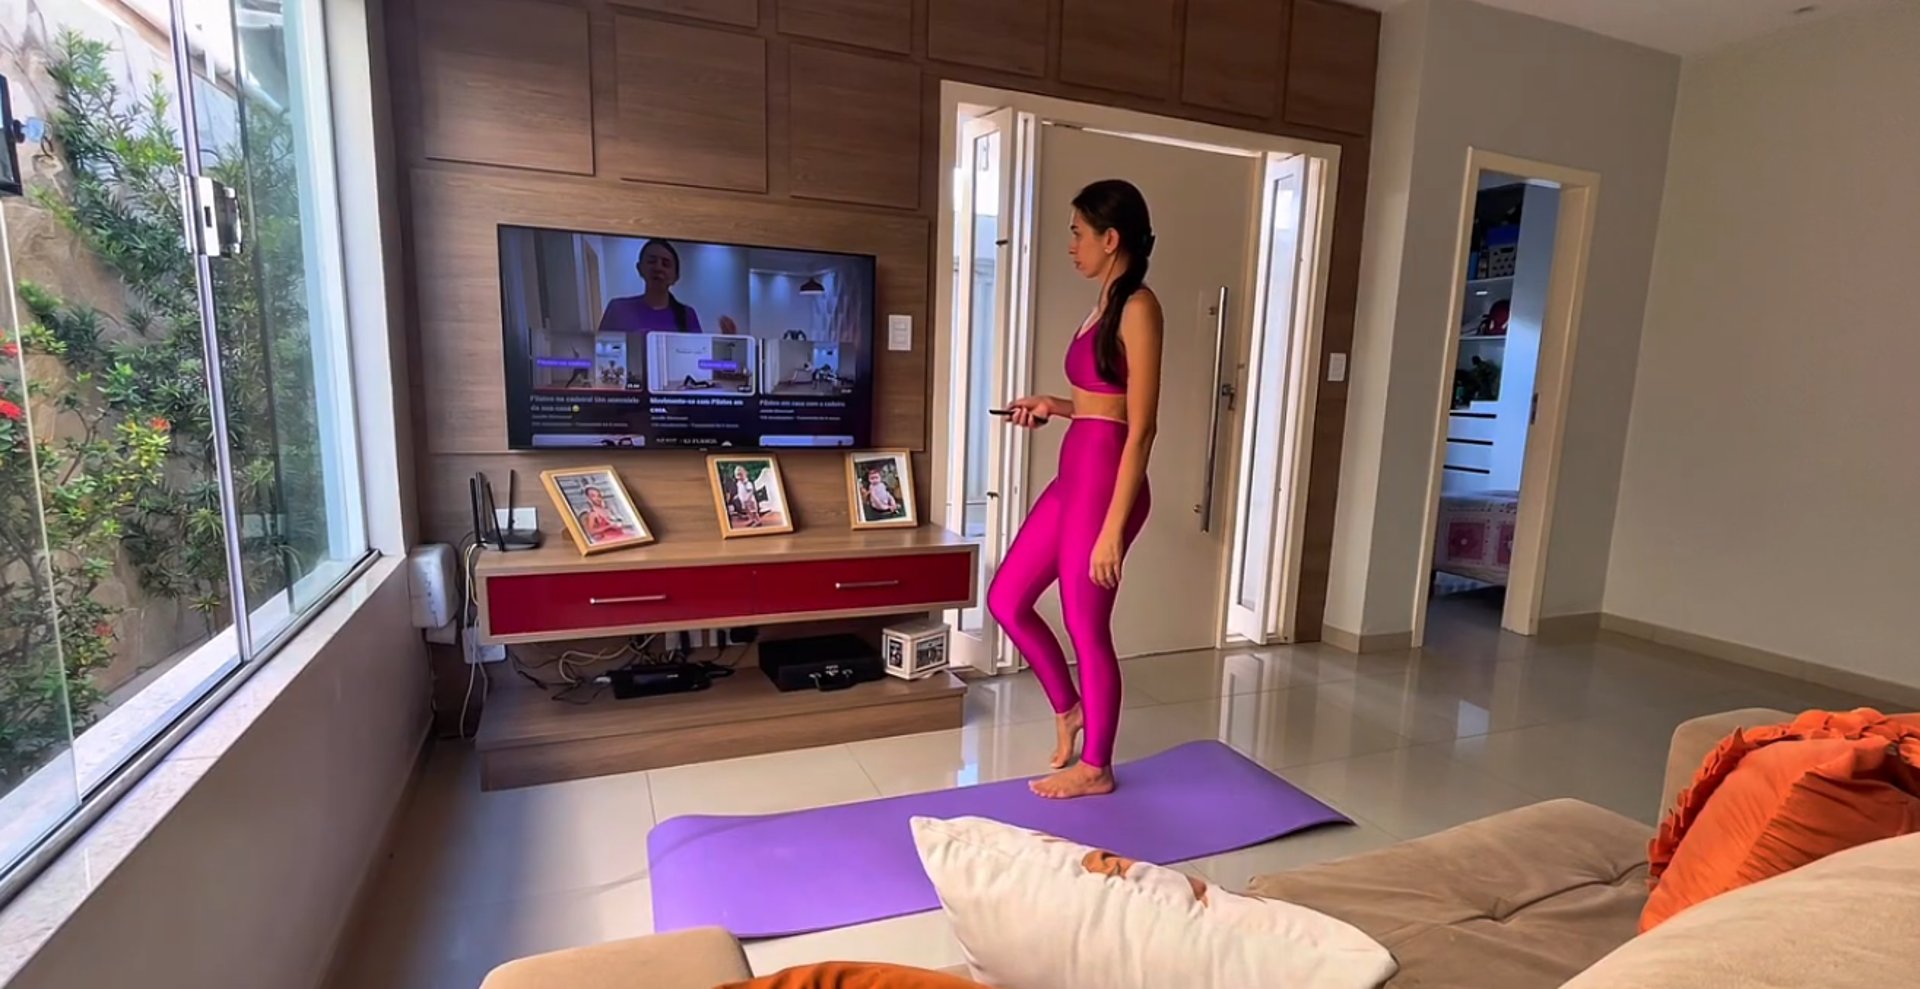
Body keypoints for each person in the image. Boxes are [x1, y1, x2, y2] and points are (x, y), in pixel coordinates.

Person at [987, 179, 1162, 800]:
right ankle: (1068, 708)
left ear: (1110, 239)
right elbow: (1100, 403)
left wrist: (1114, 527)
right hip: (1074, 473)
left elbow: (1140, 428)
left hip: (1107, 483)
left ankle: (1097, 765)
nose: (1071, 245)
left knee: (1087, 626)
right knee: (1006, 599)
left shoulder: (1139, 308)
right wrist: (1052, 404)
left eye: (1077, 232)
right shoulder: (1102, 305)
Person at [596, 240, 740, 385]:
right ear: (640, 268)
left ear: (675, 276)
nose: (658, 267)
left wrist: (728, 342)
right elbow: (601, 358)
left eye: (665, 264)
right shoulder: (617, 308)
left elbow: (698, 363)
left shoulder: (686, 315)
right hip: (628, 397)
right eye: (652, 261)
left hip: (674, 398)